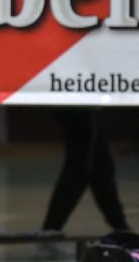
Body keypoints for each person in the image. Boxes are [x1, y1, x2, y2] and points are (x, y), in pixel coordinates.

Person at [36, 107, 132, 259]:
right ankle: (50, 233)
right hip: (75, 94)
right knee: (80, 164)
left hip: (88, 96)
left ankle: (123, 231)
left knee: (101, 163)